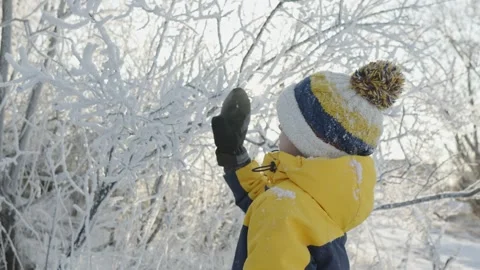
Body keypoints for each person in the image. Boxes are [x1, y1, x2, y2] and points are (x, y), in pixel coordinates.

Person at [211, 60, 405, 270]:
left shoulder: (282, 210)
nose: (280, 135)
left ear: (306, 141)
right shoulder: (326, 202)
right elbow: (272, 204)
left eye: (283, 128)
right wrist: (235, 159)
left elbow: (278, 212)